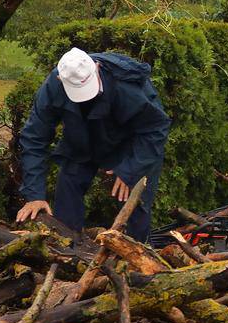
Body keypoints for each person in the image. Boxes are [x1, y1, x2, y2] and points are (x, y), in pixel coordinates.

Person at [15, 47, 170, 242]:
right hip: (81, 140)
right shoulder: (53, 87)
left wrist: (131, 169)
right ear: (60, 81)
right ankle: (67, 254)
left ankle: (137, 258)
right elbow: (34, 138)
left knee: (135, 202)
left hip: (130, 145)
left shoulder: (124, 85)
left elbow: (155, 128)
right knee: (67, 198)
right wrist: (34, 194)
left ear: (96, 68)